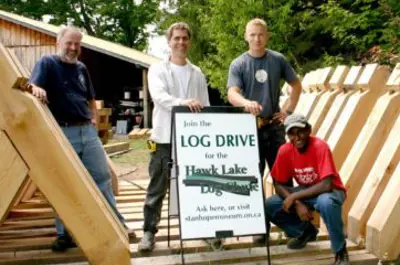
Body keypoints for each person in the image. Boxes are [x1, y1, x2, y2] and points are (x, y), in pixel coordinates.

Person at [29, 26, 131, 252]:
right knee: (65, 182)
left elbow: (91, 100)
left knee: (102, 178)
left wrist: (94, 122)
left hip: (87, 131)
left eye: (77, 44)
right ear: (59, 42)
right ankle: (65, 233)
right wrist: (36, 89)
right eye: (69, 43)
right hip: (63, 132)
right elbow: (32, 84)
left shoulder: (82, 68)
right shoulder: (47, 64)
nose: (74, 48)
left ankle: (116, 223)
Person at [138, 22, 210, 252]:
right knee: (157, 186)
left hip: (191, 140)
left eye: (184, 38)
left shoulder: (197, 73)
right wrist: (183, 102)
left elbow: (205, 105)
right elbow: (159, 97)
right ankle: (149, 232)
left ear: (189, 41)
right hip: (163, 138)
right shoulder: (157, 69)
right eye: (176, 38)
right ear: (169, 42)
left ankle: (204, 230)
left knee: (196, 185)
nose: (180, 42)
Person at [266, 113, 350, 265]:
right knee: (270, 204)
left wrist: (294, 196)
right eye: (292, 133)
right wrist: (296, 202)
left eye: (301, 131)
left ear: (309, 129)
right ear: (287, 135)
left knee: (327, 203)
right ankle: (305, 231)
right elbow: (278, 184)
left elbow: (327, 184)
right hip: (308, 190)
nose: (297, 137)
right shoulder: (285, 150)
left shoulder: (320, 146)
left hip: (331, 191)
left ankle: (341, 252)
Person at [227, 18, 302, 175]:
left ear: (267, 36)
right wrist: (246, 103)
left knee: (283, 176)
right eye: (252, 34)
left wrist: (288, 112)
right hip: (249, 128)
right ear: (245, 36)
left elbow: (296, 85)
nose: (257, 39)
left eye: (261, 34)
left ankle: (284, 200)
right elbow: (232, 93)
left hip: (275, 127)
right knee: (252, 180)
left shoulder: (278, 59)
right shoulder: (238, 64)